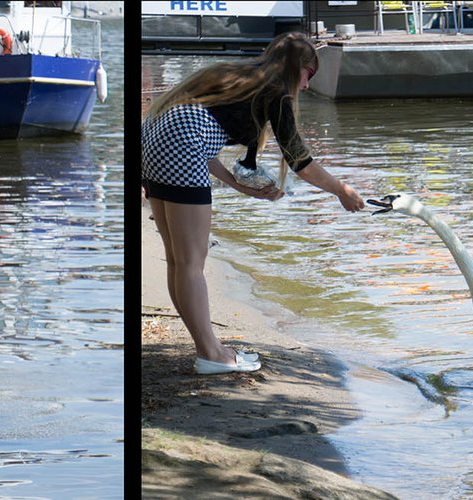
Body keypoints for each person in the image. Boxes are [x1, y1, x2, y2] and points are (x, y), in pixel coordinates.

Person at [140, 33, 364, 375]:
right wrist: (341, 190)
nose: (306, 86)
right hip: (180, 144)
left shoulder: (237, 74)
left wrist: (238, 186)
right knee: (190, 262)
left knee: (178, 260)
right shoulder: (276, 91)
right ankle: (210, 354)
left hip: (153, 137)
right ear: (298, 69)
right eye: (310, 75)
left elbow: (195, 133)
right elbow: (300, 160)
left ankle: (207, 348)